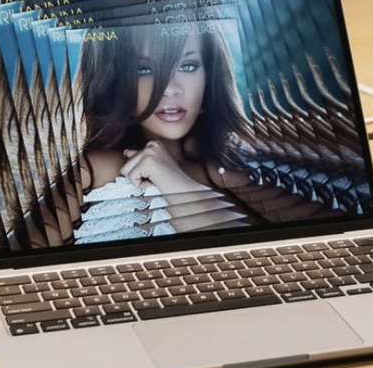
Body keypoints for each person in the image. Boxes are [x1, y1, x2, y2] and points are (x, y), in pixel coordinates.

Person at [70, 23, 334, 241]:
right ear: (117, 81)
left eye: (187, 66)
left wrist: (176, 183)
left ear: (209, 75)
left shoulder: (246, 166)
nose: (171, 89)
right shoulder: (92, 169)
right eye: (145, 69)